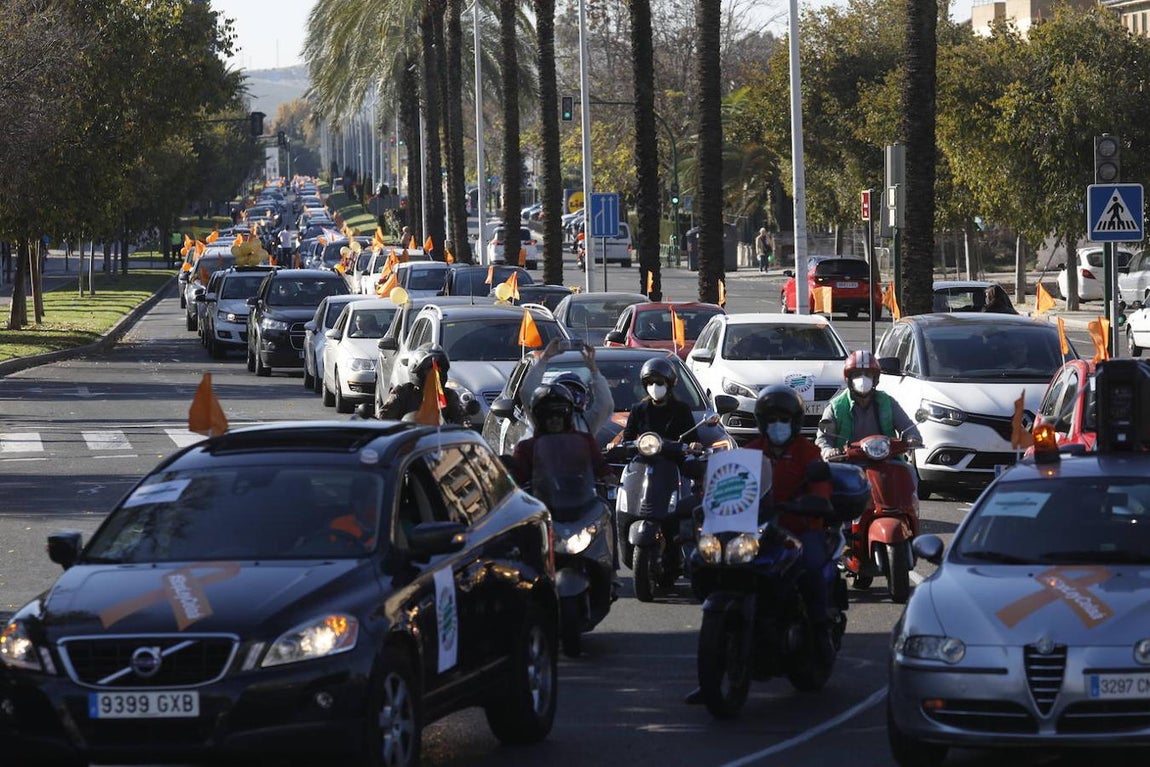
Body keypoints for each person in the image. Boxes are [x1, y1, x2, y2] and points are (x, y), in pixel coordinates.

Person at [686, 385, 834, 706]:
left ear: (794, 422)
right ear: (761, 422)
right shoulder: (750, 451)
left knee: (811, 571)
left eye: (783, 419)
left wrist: (811, 503)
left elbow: (822, 489)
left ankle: (820, 633)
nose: (776, 425)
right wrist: (704, 501)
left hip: (799, 528)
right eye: (770, 419)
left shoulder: (810, 453)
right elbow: (727, 483)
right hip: (757, 531)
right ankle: (712, 672)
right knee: (707, 563)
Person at [815, 350, 921, 460]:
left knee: (910, 474)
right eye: (857, 375)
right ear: (849, 379)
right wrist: (829, 451)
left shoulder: (887, 402)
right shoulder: (836, 407)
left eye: (868, 375)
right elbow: (823, 439)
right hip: (847, 464)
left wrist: (912, 437)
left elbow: (907, 426)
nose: (862, 379)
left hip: (888, 461)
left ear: (875, 379)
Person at [519, 338, 612, 435]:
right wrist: (544, 358)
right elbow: (527, 392)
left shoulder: (584, 422)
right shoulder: (542, 419)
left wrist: (594, 370)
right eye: (565, 389)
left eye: (574, 390)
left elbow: (606, 404)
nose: (555, 420)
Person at [377, 344, 471, 425]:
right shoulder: (403, 393)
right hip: (407, 443)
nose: (435, 374)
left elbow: (461, 420)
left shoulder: (449, 396)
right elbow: (383, 418)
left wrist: (466, 425)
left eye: (439, 370)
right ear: (418, 372)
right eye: (430, 370)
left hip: (438, 443)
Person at [623, 357, 698, 444]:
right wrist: (615, 447)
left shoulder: (682, 409)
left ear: (669, 383)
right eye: (650, 383)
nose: (654, 387)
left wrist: (695, 445)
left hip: (673, 456)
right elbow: (627, 439)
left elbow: (692, 439)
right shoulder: (638, 409)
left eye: (659, 382)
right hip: (645, 455)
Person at [329, 475, 380, 548]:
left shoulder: (390, 526)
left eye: (380, 500)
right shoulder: (339, 525)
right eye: (374, 501)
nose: (378, 505)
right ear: (357, 504)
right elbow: (334, 551)